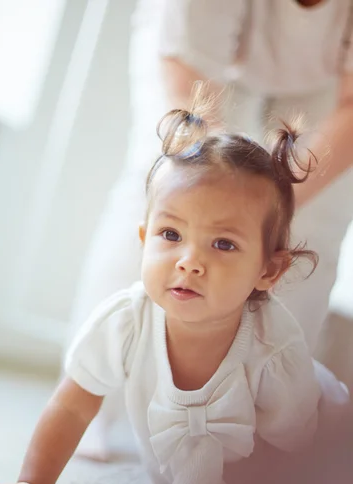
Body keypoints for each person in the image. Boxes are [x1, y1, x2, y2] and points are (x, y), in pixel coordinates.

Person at [0, 94, 349, 484]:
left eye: (224, 245)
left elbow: (292, 450)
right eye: (170, 235)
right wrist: (32, 483)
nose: (189, 261)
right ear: (143, 238)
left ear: (268, 270)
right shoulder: (126, 322)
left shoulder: (274, 348)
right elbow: (72, 406)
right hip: (189, 471)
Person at [71, 0, 353, 459]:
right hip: (194, 60)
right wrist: (214, 189)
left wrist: (274, 203)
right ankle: (91, 403)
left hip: (327, 85)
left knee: (313, 223)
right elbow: (187, 66)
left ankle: (267, 425)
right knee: (167, 191)